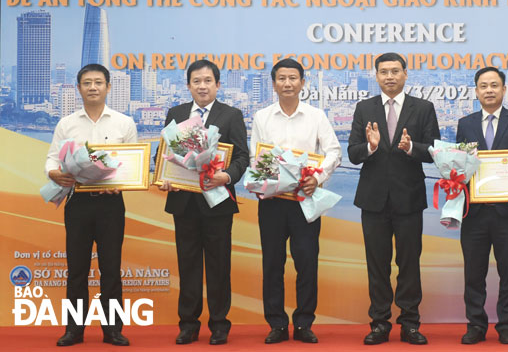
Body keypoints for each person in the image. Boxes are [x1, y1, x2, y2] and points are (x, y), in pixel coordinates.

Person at [348, 52, 439, 345]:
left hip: (409, 199)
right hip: (373, 200)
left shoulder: (423, 108)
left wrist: (413, 147)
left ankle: (410, 323)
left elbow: (434, 151)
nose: (389, 76)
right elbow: (353, 152)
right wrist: (371, 148)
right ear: (376, 76)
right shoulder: (364, 108)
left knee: (409, 263)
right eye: (384, 72)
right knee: (377, 264)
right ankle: (379, 323)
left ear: (405, 74)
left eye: (395, 71)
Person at [250, 58, 341, 344]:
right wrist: (262, 179)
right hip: (273, 202)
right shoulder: (262, 117)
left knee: (307, 262)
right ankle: (276, 324)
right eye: (281, 78)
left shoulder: (316, 116)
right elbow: (256, 157)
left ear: (303, 82)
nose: (287, 83)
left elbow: (334, 151)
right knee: (272, 264)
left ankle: (303, 323)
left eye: (293, 78)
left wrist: (319, 176)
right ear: (273, 83)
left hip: (305, 199)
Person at [45, 64, 137, 347]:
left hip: (111, 204)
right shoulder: (66, 124)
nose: (93, 87)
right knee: (76, 270)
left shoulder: (124, 123)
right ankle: (74, 330)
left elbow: (133, 167)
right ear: (79, 88)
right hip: (78, 203)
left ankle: (112, 330)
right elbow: (52, 159)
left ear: (108, 87)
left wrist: (122, 182)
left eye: (98, 82)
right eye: (87, 83)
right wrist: (53, 173)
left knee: (111, 269)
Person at [158, 59, 249, 345]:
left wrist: (228, 176)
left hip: (217, 202)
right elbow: (165, 154)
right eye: (196, 81)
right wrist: (165, 177)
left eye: (208, 80)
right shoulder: (176, 113)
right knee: (188, 265)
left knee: (219, 265)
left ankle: (220, 324)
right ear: (188, 85)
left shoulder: (231, 115)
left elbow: (243, 157)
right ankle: (188, 324)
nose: (202, 86)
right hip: (183, 201)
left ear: (217, 84)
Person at [455, 67, 508, 345]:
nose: (489, 90)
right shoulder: (465, 123)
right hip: (473, 211)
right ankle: (475, 324)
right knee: (473, 272)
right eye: (483, 86)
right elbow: (460, 165)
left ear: (504, 89)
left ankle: (507, 325)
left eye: (494, 85)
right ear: (476, 91)